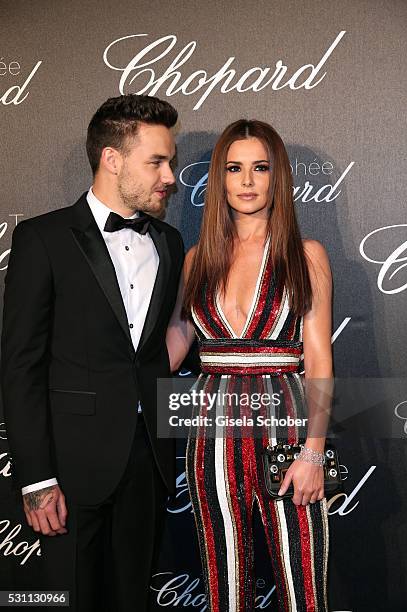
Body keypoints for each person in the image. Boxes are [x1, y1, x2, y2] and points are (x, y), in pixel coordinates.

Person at [1, 94, 184, 611]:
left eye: (170, 162)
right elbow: (20, 366)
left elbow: (149, 353)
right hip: (69, 469)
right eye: (157, 162)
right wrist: (36, 478)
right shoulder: (43, 238)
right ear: (112, 159)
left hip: (148, 461)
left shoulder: (169, 241)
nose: (169, 176)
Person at [166, 119, 333, 611]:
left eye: (259, 168)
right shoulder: (197, 259)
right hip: (210, 440)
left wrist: (314, 454)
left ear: (277, 176)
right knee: (223, 583)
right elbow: (177, 343)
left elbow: (320, 358)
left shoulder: (306, 256)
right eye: (234, 168)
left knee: (303, 584)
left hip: (287, 436)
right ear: (218, 178)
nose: (246, 181)